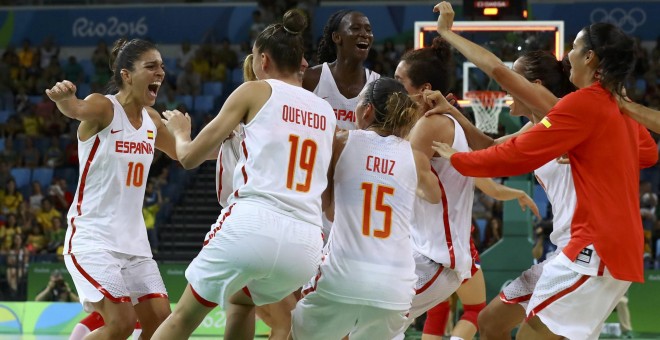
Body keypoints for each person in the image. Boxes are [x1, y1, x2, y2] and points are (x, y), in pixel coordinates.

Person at [431, 2, 657, 339]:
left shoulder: (571, 107)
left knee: (530, 336)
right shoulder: (575, 116)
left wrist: (448, 34)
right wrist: (453, 112)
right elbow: (495, 147)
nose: (568, 56)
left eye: (575, 49)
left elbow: (498, 74)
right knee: (491, 322)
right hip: (569, 249)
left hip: (594, 250)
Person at [151, 9, 336, 340]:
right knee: (241, 303)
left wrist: (180, 131)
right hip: (306, 243)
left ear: (263, 60)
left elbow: (189, 157)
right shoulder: (326, 111)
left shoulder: (255, 91)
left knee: (183, 318)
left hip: (255, 223)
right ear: (301, 63)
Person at [392, 35, 540, 340]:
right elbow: (486, 177)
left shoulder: (430, 126)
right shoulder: (444, 124)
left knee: (370, 320)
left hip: (437, 258)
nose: (393, 88)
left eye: (399, 81)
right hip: (436, 253)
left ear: (423, 90)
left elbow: (430, 192)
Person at [45, 37, 177, 339]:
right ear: (126, 75)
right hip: (93, 238)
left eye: (162, 67)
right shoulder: (104, 106)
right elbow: (75, 109)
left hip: (134, 244)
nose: (161, 73)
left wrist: (232, 134)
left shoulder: (152, 120)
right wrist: (63, 98)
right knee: (121, 323)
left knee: (161, 322)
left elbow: (187, 152)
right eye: (152, 66)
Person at [290, 78, 441, 338]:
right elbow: (435, 195)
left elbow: (329, 211)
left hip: (344, 273)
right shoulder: (415, 157)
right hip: (395, 284)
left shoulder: (341, 140)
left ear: (367, 110)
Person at [303, 9, 380, 130]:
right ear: (337, 37)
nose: (364, 34)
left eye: (368, 30)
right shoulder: (310, 79)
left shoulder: (378, 86)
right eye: (355, 28)